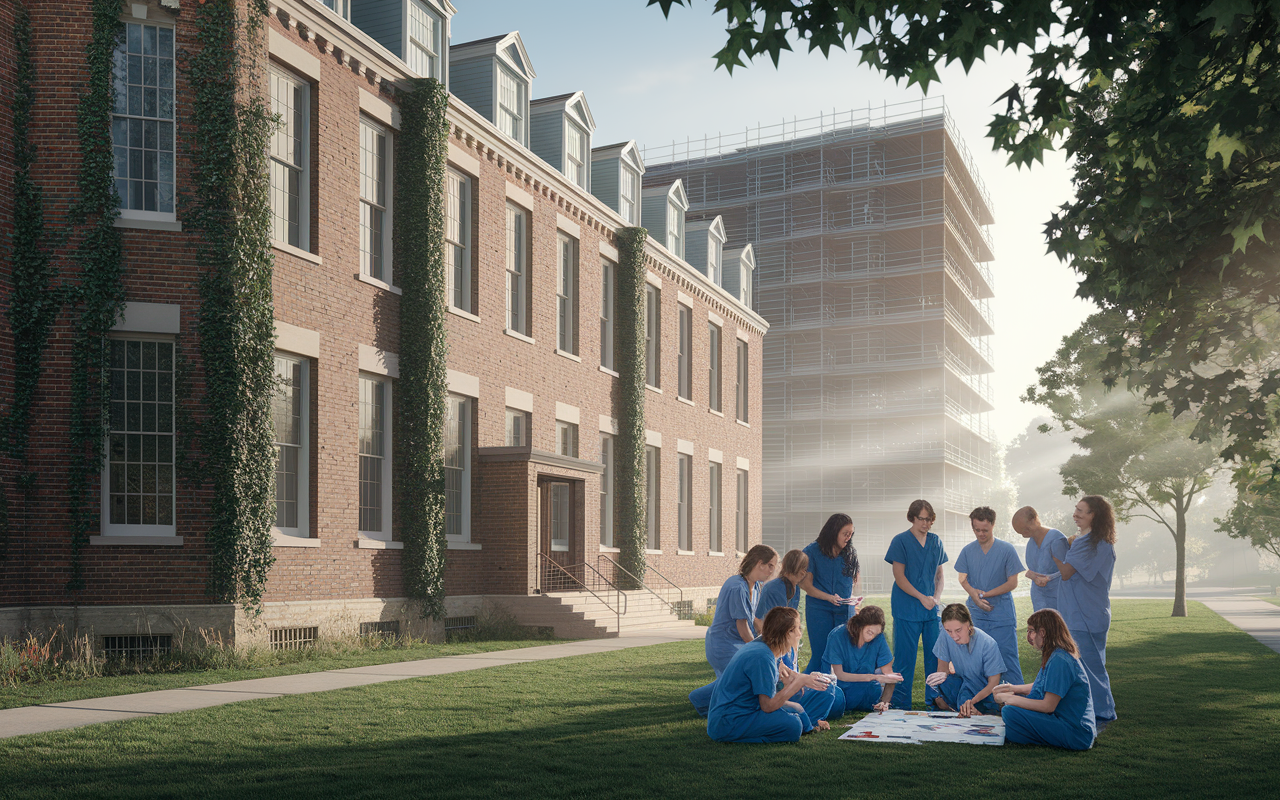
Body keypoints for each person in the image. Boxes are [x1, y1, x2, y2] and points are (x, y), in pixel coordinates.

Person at [707, 606, 836, 743]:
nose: (800, 633)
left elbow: (782, 683)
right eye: (798, 628)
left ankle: (808, 724)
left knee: (826, 692)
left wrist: (803, 682)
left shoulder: (766, 645)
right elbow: (767, 705)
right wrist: (800, 682)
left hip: (747, 710)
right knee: (793, 726)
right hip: (731, 720)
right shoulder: (762, 656)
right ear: (787, 633)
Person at [689, 545, 778, 717]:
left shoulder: (756, 586)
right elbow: (743, 627)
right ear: (760, 563)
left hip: (735, 643)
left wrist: (765, 640)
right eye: (771, 566)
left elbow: (754, 620)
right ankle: (698, 699)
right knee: (744, 675)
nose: (773, 571)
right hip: (723, 645)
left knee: (737, 682)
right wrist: (757, 650)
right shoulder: (737, 587)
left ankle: (722, 705)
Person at [1052, 495, 1117, 726]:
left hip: (1085, 617)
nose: (1076, 514)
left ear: (1095, 515)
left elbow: (1067, 572)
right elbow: (1071, 573)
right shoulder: (1091, 542)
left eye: (1082, 511)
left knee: (1092, 670)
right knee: (1087, 668)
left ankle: (1103, 715)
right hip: (1084, 615)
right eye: (1076, 509)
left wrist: (1055, 552)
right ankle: (1089, 710)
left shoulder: (1091, 544)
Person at [994, 609, 1097, 750]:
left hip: (1075, 732)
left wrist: (1010, 700)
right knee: (1012, 716)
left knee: (1010, 712)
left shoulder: (1060, 660)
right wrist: (1012, 688)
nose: (1028, 636)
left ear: (1042, 633)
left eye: (1031, 631)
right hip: (1065, 723)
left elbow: (1048, 706)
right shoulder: (1055, 654)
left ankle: (1026, 734)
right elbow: (1043, 685)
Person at [884, 499, 947, 708]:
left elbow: (939, 575)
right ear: (912, 517)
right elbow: (899, 577)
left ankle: (934, 702)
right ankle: (900, 705)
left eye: (929, 519)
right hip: (906, 608)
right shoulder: (900, 541)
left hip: (930, 611)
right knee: (904, 661)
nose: (926, 523)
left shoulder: (936, 541)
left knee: (934, 659)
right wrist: (922, 597)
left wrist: (936, 598)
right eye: (921, 519)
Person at [955, 506, 1025, 684]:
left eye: (985, 530)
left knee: (1007, 658)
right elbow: (962, 579)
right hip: (975, 613)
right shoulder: (967, 551)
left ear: (993, 525)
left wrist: (984, 595)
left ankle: (1015, 703)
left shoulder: (1007, 550)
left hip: (1001, 613)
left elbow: (1012, 582)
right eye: (976, 530)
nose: (980, 534)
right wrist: (974, 595)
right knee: (976, 659)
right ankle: (981, 702)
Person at [800, 514, 861, 673]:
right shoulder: (811, 551)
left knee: (844, 655)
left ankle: (841, 694)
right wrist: (829, 598)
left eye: (851, 534)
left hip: (844, 611)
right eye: (845, 533)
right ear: (834, 531)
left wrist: (854, 602)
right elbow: (806, 585)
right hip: (819, 609)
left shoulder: (850, 553)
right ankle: (805, 692)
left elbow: (853, 583)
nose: (849, 537)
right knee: (821, 655)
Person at [926, 603, 1006, 717]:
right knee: (933, 685)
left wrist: (970, 703)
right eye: (949, 631)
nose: (954, 636)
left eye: (958, 630)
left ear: (968, 624)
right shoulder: (945, 634)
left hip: (985, 694)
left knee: (975, 714)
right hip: (963, 686)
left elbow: (993, 683)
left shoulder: (988, 644)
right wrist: (939, 694)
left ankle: (979, 712)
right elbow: (942, 669)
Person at [820, 605, 902, 714]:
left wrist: (885, 702)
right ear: (860, 625)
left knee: (874, 690)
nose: (871, 637)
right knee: (836, 700)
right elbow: (839, 675)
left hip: (864, 691)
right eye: (869, 632)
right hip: (839, 689)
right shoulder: (837, 636)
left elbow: (890, 676)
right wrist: (874, 677)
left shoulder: (879, 638)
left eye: (876, 634)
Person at [754, 549, 810, 670]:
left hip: (785, 639)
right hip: (772, 640)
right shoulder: (775, 587)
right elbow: (778, 624)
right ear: (793, 566)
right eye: (802, 567)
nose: (804, 572)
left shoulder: (795, 588)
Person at [1013, 506, 1070, 612]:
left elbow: (1069, 571)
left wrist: (1050, 578)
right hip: (1038, 598)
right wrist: (1032, 575)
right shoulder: (1031, 543)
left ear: (1035, 519)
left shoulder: (1056, 539)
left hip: (1058, 598)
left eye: (1026, 529)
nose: (1024, 534)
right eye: (1021, 532)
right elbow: (1035, 568)